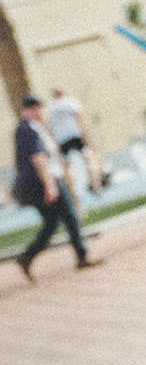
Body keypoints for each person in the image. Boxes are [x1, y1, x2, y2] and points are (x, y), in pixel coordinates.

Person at [13, 95, 103, 280]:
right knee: (70, 215)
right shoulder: (29, 129)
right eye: (39, 108)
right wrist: (50, 185)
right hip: (47, 180)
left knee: (52, 221)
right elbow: (38, 158)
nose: (41, 112)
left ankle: (27, 257)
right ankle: (82, 256)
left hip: (40, 182)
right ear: (31, 109)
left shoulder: (26, 128)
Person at [45, 86, 109, 196]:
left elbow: (49, 128)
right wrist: (88, 138)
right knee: (89, 159)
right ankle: (96, 186)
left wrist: (56, 143)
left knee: (67, 166)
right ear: (64, 92)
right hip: (76, 135)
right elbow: (80, 120)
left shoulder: (50, 109)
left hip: (61, 139)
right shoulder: (71, 102)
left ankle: (73, 194)